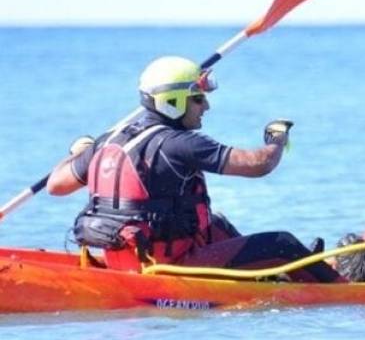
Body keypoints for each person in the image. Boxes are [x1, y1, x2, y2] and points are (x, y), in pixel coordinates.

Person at [47, 56, 343, 282]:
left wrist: (78, 152)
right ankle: (345, 291)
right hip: (170, 267)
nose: (206, 107)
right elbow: (259, 164)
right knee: (282, 242)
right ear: (173, 101)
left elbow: (56, 185)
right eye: (198, 99)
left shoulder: (106, 141)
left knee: (217, 224)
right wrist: (277, 139)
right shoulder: (181, 144)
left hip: (125, 260)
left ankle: (267, 276)